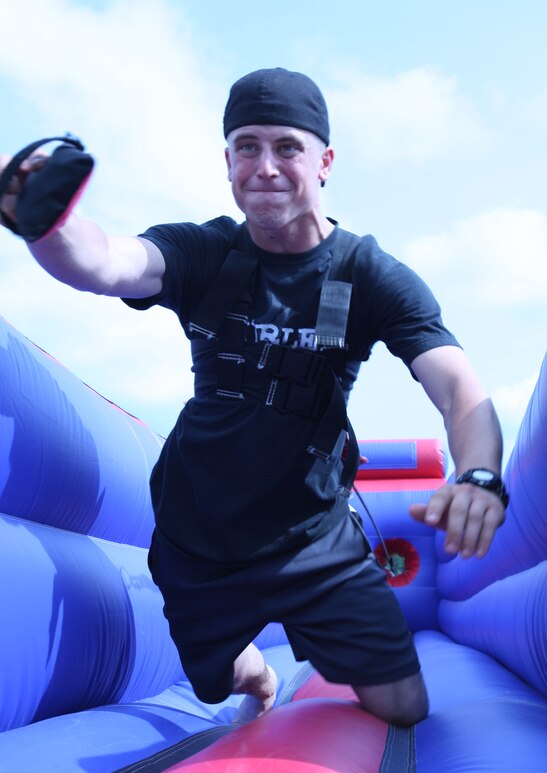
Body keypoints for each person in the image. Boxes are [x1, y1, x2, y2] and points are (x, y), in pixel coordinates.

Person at [0, 68, 508, 727]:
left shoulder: (366, 274)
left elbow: (457, 385)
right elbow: (106, 263)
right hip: (199, 530)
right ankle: (260, 673)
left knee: (403, 707)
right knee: (219, 682)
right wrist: (47, 224)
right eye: (246, 147)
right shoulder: (205, 250)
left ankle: (330, 635)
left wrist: (477, 474)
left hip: (312, 533)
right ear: (227, 161)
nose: (264, 167)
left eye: (286, 148)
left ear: (324, 161)